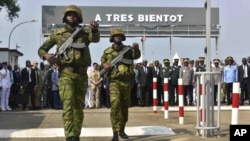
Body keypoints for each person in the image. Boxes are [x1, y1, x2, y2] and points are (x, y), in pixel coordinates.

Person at [38, 5, 100, 141]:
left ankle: (76, 135)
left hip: (81, 75)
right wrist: (46, 56)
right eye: (69, 14)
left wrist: (95, 30)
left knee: (79, 107)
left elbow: (95, 39)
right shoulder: (58, 33)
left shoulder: (85, 32)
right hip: (66, 74)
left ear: (79, 17)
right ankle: (70, 135)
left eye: (74, 14)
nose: (71, 16)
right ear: (65, 17)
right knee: (68, 105)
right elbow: (42, 49)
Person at [100, 28, 141, 141]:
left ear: (122, 37)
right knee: (115, 106)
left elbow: (135, 56)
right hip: (114, 82)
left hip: (126, 82)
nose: (118, 37)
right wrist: (104, 65)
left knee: (124, 108)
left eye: (119, 35)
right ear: (112, 38)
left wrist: (136, 49)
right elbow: (101, 65)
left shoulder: (128, 50)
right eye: (115, 35)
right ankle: (115, 132)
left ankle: (122, 129)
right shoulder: (107, 51)